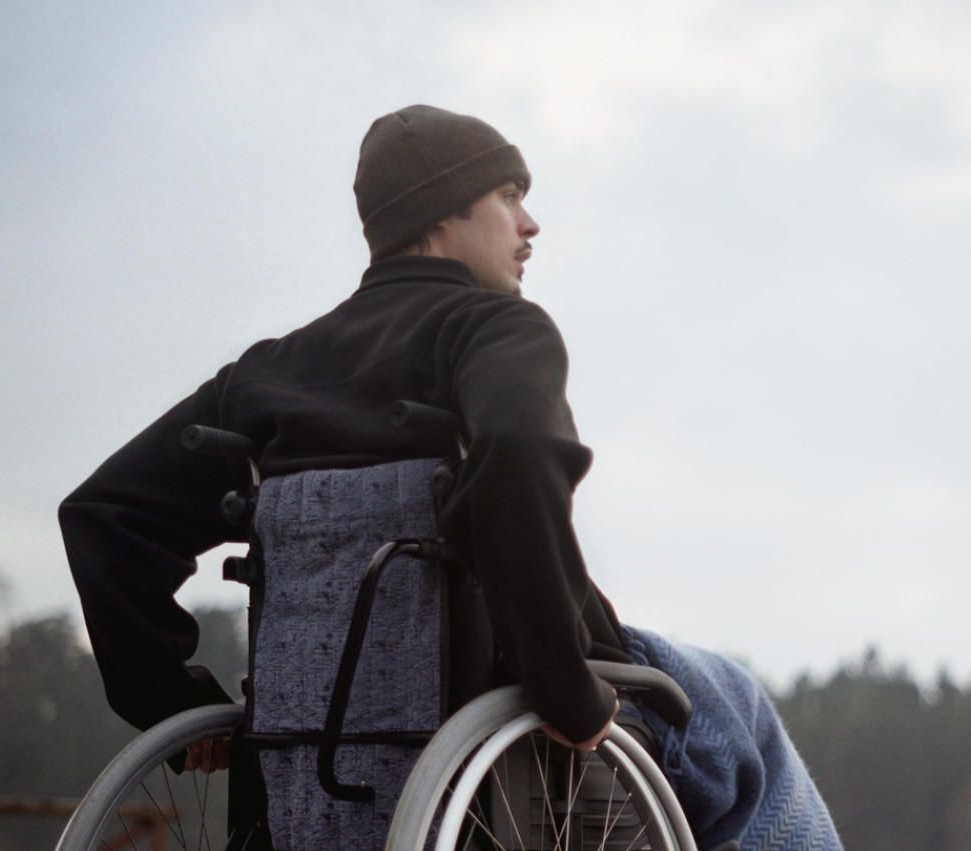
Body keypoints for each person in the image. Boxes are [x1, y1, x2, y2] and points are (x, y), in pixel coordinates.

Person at [59, 104, 623, 764]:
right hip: (517, 723)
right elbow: (518, 452)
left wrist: (172, 705)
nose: (530, 225)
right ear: (439, 213)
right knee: (738, 714)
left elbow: (105, 515)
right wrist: (563, 688)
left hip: (313, 746)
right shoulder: (495, 329)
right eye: (508, 196)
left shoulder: (269, 374)